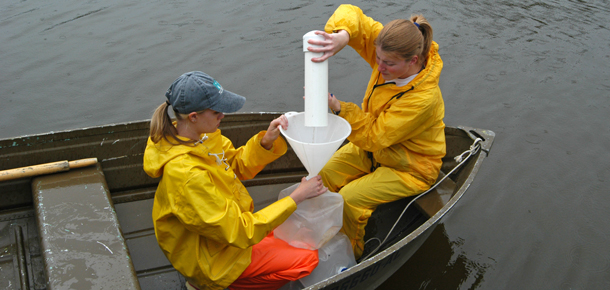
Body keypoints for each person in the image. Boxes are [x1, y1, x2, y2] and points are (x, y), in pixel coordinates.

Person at [143, 71, 327, 290]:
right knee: (307, 260)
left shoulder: (201, 136)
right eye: (217, 111)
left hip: (227, 234)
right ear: (193, 116)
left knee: (291, 229)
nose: (223, 115)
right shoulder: (186, 175)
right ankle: (216, 286)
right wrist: (297, 197)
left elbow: (237, 165)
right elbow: (240, 231)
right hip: (213, 261)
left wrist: (266, 141)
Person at [307, 4, 447, 260]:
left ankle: (351, 254)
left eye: (388, 64)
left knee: (350, 199)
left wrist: (338, 108)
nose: (379, 67)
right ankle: (321, 232)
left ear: (413, 61)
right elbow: (353, 14)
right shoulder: (391, 49)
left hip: (410, 166)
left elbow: (374, 136)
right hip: (378, 151)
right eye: (378, 58)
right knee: (323, 175)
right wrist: (342, 36)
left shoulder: (423, 99)